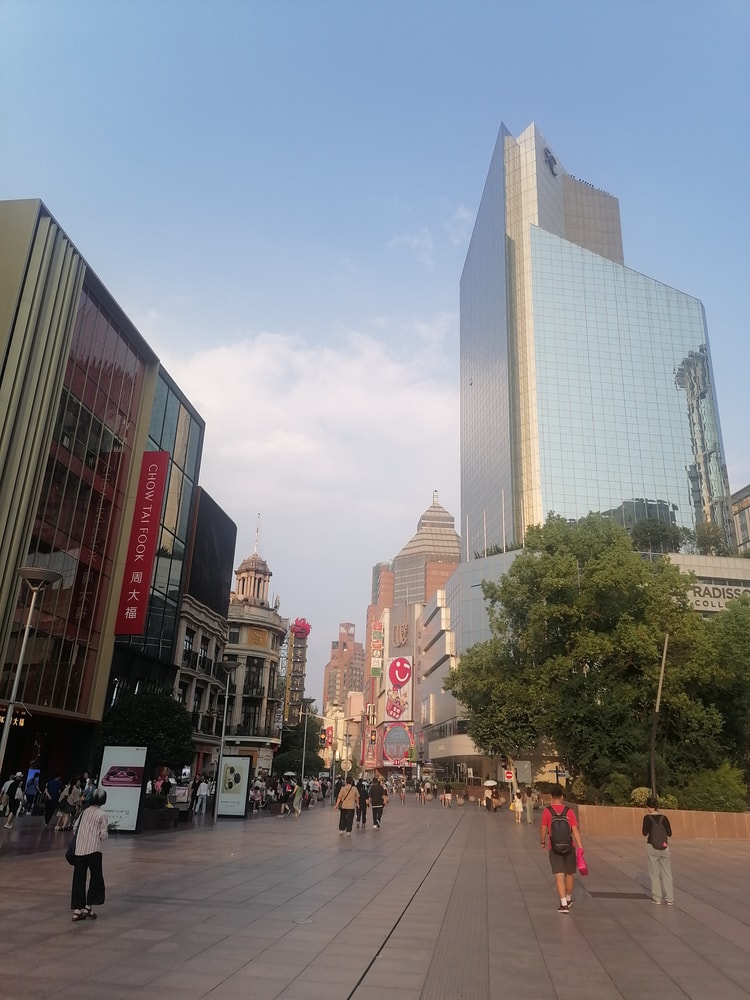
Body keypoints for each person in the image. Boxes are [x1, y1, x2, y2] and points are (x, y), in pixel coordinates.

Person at [540, 784, 584, 913]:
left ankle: (563, 904)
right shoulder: (569, 811)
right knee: (569, 874)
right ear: (562, 797)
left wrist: (542, 841)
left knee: (559, 874)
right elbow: (575, 830)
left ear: (551, 796)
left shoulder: (547, 811)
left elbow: (543, 829)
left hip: (554, 847)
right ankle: (569, 898)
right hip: (569, 846)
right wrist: (580, 846)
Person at [70, 787, 109, 921]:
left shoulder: (84, 812)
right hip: (94, 850)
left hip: (80, 850)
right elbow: (103, 835)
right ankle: (88, 905)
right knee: (96, 878)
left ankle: (77, 910)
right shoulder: (102, 814)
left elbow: (75, 828)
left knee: (78, 879)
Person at [642, 797, 674, 905]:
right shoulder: (664, 818)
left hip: (652, 847)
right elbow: (669, 833)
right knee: (667, 873)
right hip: (664, 847)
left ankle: (657, 898)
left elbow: (644, 833)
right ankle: (669, 898)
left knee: (654, 874)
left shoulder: (647, 818)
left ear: (649, 807)